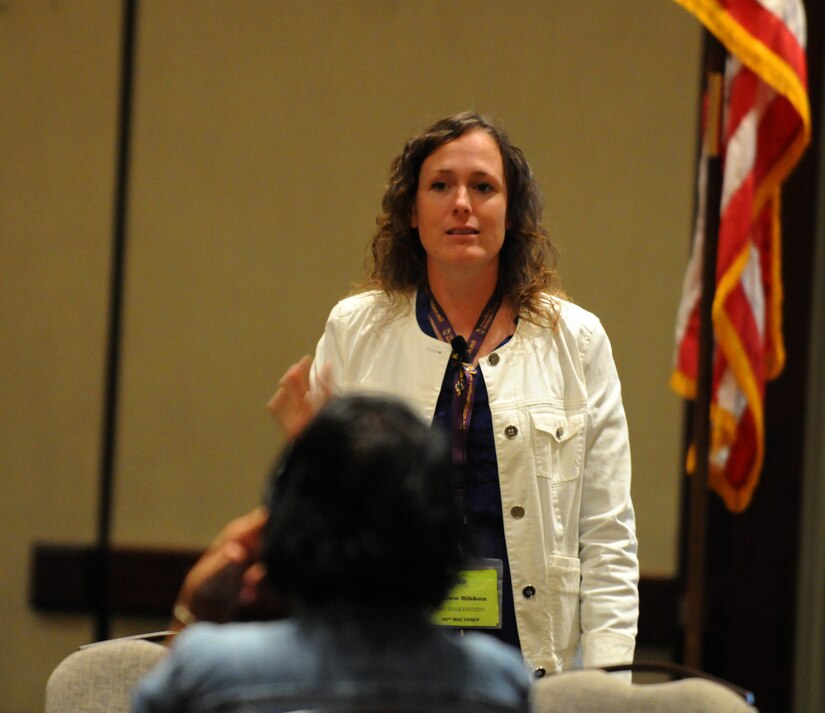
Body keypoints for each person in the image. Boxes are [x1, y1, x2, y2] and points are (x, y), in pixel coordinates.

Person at [269, 111, 639, 678]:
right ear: (412, 213)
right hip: (387, 655)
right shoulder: (356, 330)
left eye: (483, 187)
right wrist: (309, 457)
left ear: (512, 214)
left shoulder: (577, 341)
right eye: (440, 185)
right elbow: (315, 525)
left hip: (533, 659)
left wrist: (607, 686)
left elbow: (607, 534)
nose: (461, 203)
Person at [132, 395, 532, 713]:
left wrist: (192, 614)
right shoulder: (496, 683)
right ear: (443, 530)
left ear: (286, 522)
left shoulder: (210, 673)